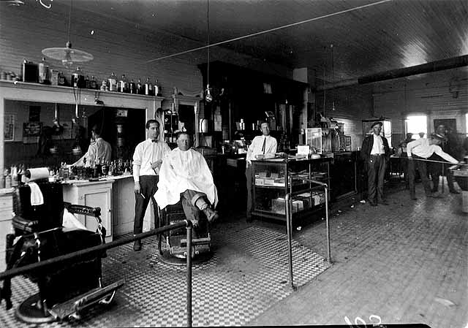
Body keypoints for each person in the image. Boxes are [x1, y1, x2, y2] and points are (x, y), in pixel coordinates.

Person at [155, 131, 218, 233]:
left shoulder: (197, 155)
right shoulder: (170, 156)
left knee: (187, 196)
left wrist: (192, 180)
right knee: (185, 183)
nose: (185, 143)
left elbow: (204, 174)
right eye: (182, 140)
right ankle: (206, 210)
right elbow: (166, 175)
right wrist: (181, 181)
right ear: (177, 142)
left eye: (187, 140)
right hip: (175, 186)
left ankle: (193, 230)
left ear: (191, 142)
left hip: (196, 186)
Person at [132, 119, 171, 251]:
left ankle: (160, 236)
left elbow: (171, 159)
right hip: (143, 181)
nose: (156, 131)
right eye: (153, 128)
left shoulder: (164, 145)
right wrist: (136, 182)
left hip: (159, 180)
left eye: (157, 128)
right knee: (140, 211)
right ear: (147, 130)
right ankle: (136, 239)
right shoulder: (141, 146)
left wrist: (160, 161)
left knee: (160, 210)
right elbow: (136, 164)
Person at [407, 133, 460, 200]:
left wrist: (456, 162)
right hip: (413, 158)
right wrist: (409, 155)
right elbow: (409, 145)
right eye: (439, 141)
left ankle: (428, 193)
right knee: (412, 176)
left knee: (424, 177)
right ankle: (412, 195)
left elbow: (444, 155)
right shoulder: (422, 141)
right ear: (434, 138)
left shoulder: (436, 147)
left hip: (422, 159)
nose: (439, 142)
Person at [245, 121, 277, 220]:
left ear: (269, 128)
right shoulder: (256, 139)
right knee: (250, 189)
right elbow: (250, 150)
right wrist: (247, 161)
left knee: (261, 189)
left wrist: (263, 156)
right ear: (260, 129)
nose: (266, 129)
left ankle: (261, 212)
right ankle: (249, 214)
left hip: (263, 167)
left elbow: (273, 154)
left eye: (267, 127)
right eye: (263, 128)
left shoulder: (273, 140)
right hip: (251, 166)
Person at [360, 121, 391, 206]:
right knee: (372, 180)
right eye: (376, 127)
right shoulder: (368, 139)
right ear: (373, 129)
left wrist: (386, 159)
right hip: (372, 159)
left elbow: (388, 151)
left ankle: (380, 199)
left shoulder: (383, 139)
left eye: (379, 128)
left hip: (382, 158)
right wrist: (368, 160)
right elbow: (363, 153)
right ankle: (371, 199)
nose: (378, 129)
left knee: (381, 180)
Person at [428, 125, 461, 194]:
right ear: (437, 129)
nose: (441, 129)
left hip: (446, 158)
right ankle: (435, 188)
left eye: (442, 128)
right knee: (435, 174)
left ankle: (451, 189)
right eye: (439, 128)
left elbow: (452, 147)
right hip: (436, 158)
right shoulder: (434, 136)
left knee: (449, 174)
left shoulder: (448, 137)